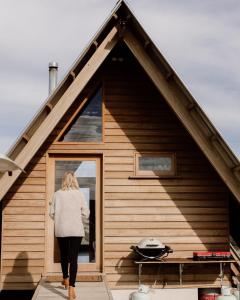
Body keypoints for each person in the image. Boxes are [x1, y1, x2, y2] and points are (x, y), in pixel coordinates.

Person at [49, 171, 90, 300]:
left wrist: (60, 219)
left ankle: (65, 279)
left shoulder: (57, 194)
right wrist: (78, 219)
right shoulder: (79, 194)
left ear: (63, 180)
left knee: (64, 256)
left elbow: (51, 213)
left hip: (62, 230)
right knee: (73, 259)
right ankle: (72, 287)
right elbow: (86, 213)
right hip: (76, 230)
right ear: (74, 180)